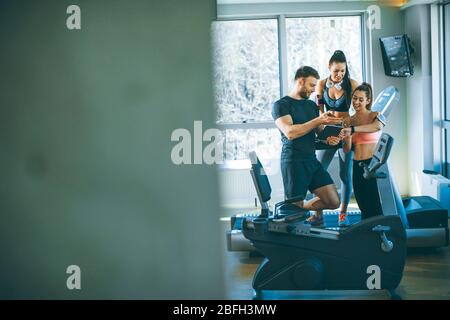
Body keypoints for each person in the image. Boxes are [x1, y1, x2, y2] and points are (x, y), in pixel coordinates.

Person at [314, 50, 381, 226]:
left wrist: (353, 126)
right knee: (319, 171)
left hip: (346, 130)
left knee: (345, 175)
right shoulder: (321, 84)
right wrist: (321, 121)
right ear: (329, 67)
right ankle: (317, 214)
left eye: (342, 71)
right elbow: (319, 107)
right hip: (329, 130)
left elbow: (361, 105)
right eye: (336, 70)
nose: (339, 74)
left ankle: (342, 215)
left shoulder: (352, 84)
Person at [272, 66, 342, 226]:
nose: (313, 90)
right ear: (301, 81)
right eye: (311, 85)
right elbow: (290, 132)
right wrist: (319, 120)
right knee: (294, 210)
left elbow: (319, 131)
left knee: (333, 201)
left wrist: (329, 137)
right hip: (293, 162)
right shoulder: (281, 105)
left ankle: (300, 209)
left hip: (311, 160)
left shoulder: (311, 105)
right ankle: (293, 212)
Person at [339, 83, 384, 220]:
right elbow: (347, 150)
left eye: (360, 99)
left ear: (368, 101)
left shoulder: (375, 115)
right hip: (358, 164)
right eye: (354, 98)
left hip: (373, 164)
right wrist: (346, 136)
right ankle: (367, 235)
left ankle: (380, 234)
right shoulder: (349, 120)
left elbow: (376, 127)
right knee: (362, 203)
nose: (356, 102)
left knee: (375, 204)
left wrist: (353, 129)